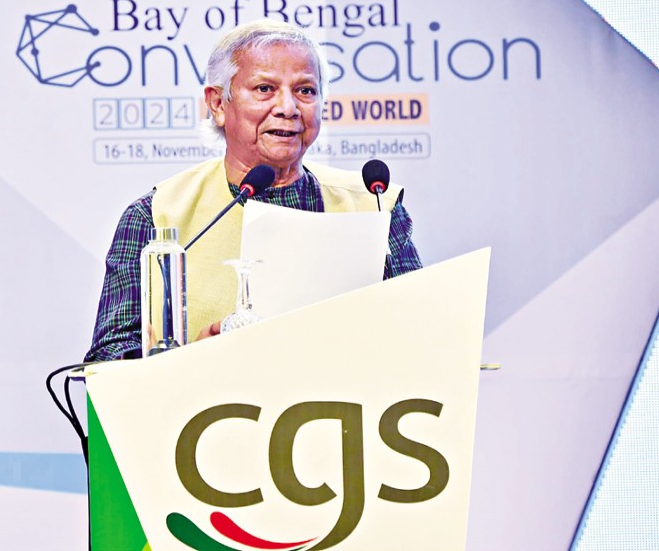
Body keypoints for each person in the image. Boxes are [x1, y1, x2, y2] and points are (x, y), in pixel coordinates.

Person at [86, 19, 421, 362]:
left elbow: (423, 330)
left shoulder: (375, 205)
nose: (288, 108)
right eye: (264, 89)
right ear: (218, 104)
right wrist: (187, 363)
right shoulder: (156, 214)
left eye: (306, 91)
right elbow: (107, 357)